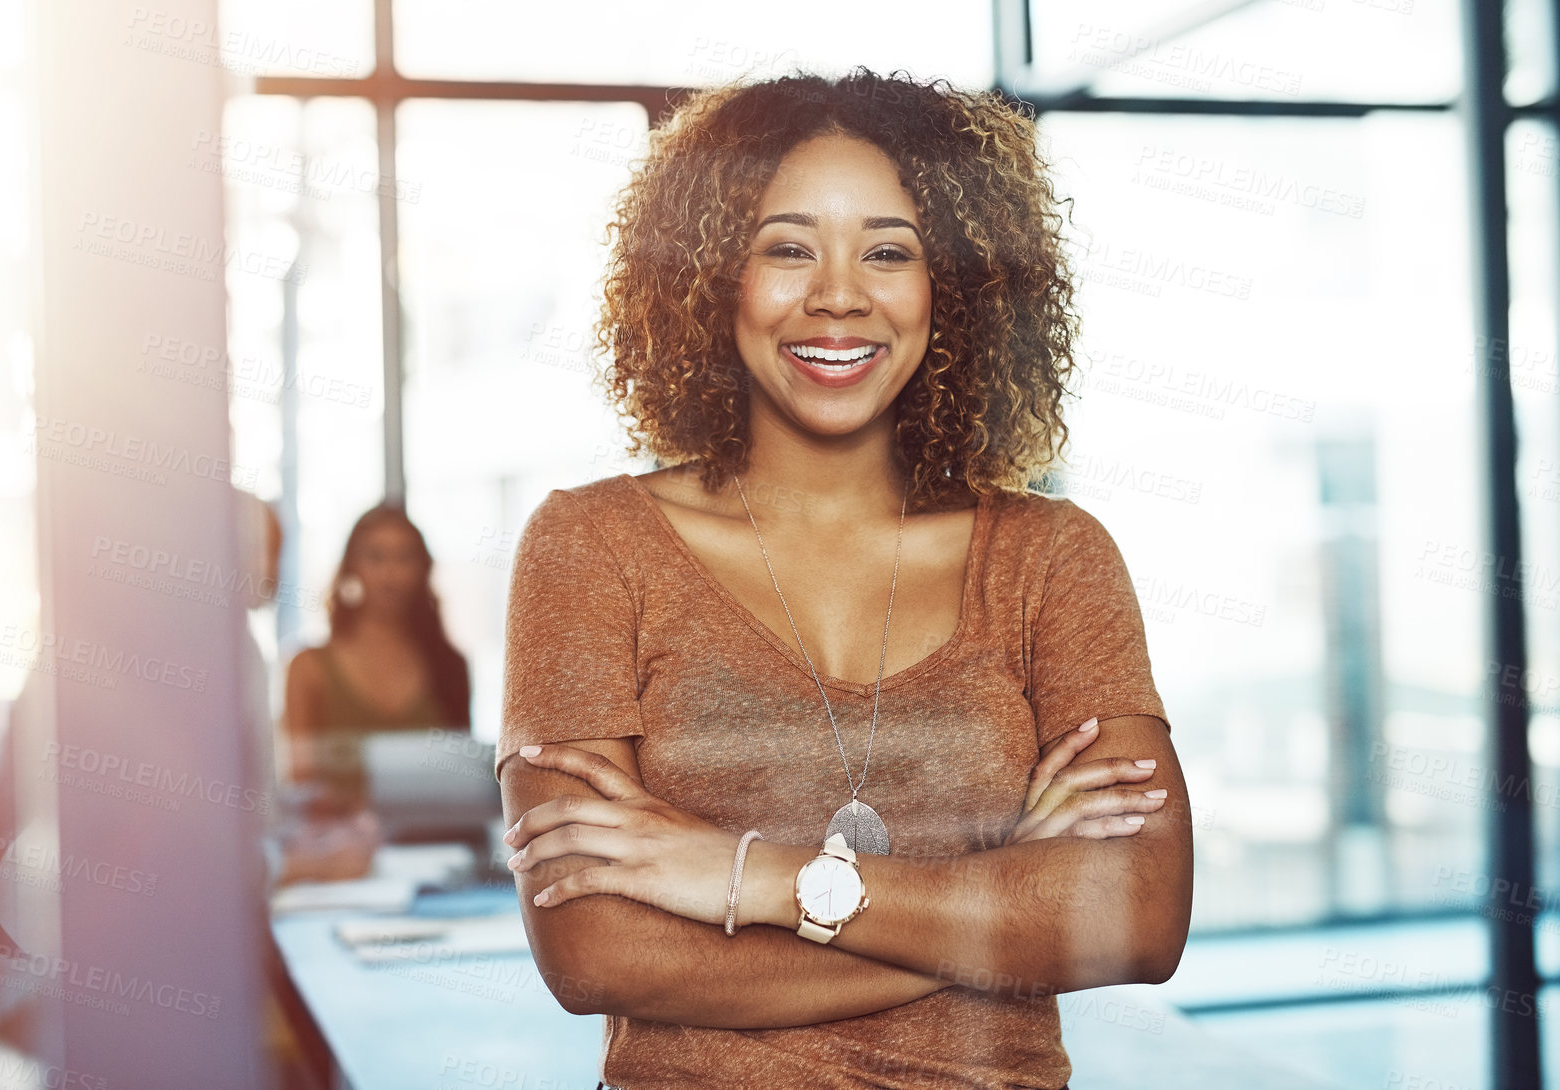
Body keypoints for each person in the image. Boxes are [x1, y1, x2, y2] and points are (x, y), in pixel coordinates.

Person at [495, 70, 1192, 1090]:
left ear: (949, 286)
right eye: (785, 247)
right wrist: (996, 906)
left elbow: (1136, 918)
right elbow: (596, 953)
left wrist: (748, 880)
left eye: (887, 250)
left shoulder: (1052, 557)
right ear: (705, 276)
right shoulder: (591, 545)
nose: (836, 293)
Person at [274, 503, 471, 880]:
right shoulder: (308, 667)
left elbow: (460, 778)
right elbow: (301, 781)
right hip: (338, 863)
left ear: (423, 569)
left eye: (404, 558)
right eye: (375, 557)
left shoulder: (450, 666)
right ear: (352, 567)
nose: (390, 574)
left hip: (435, 859)